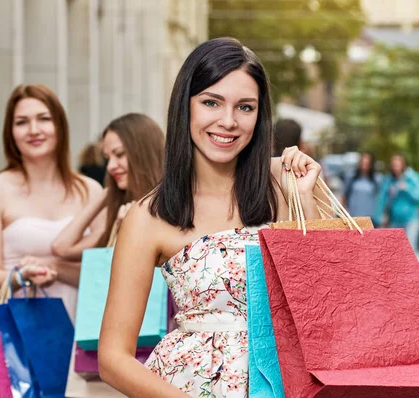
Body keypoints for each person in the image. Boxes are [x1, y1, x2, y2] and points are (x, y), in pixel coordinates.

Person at [98, 37, 326, 397]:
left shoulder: (286, 185)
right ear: (185, 106)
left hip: (288, 384)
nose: (228, 121)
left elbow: (324, 304)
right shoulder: (149, 215)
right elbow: (112, 358)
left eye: (245, 107)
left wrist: (304, 200)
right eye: (211, 102)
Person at [0, 84, 105, 322]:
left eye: (44, 119)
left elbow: (103, 275)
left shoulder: (90, 191)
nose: (33, 130)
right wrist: (22, 276)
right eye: (21, 122)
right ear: (10, 132)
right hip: (18, 334)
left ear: (60, 126)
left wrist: (54, 267)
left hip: (81, 331)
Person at [52, 113, 165, 259]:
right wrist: (107, 193)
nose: (110, 167)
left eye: (119, 154)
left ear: (144, 153)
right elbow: (61, 247)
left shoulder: (172, 210)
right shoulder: (120, 212)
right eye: (107, 159)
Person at [374, 153, 419, 253]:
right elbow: (382, 198)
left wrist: (407, 188)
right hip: (394, 220)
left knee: (410, 250)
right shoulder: (389, 180)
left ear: (403, 165)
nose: (396, 168)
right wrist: (380, 216)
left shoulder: (412, 177)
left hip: (410, 219)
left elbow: (417, 197)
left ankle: (412, 269)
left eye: (398, 165)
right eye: (394, 165)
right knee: (397, 251)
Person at [341, 152, 379, 221]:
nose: (364, 166)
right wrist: (344, 211)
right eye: (363, 163)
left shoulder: (375, 179)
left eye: (367, 164)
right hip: (354, 216)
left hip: (369, 217)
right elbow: (344, 195)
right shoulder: (351, 178)